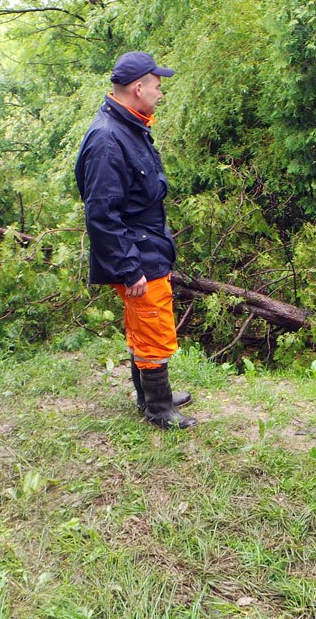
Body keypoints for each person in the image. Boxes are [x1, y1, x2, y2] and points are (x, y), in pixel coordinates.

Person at [75, 51, 196, 429]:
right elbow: (101, 214)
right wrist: (129, 268)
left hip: (146, 245)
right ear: (138, 87)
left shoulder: (130, 126)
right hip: (136, 253)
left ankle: (149, 396)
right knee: (154, 327)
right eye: (158, 87)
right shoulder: (108, 140)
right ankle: (159, 409)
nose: (161, 93)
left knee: (143, 324)